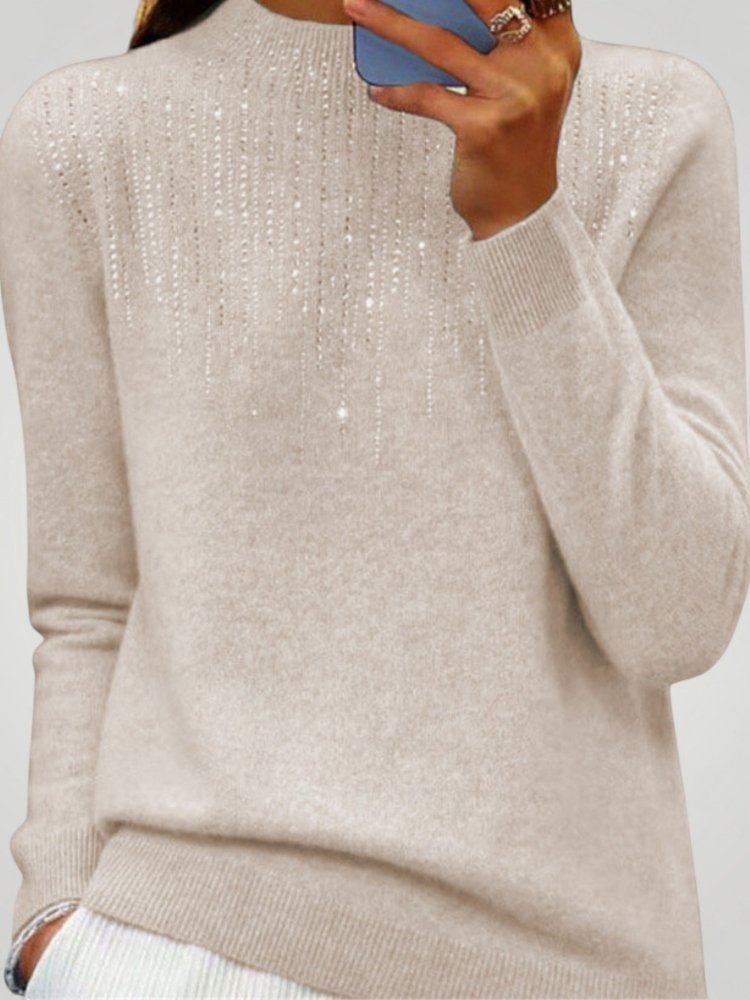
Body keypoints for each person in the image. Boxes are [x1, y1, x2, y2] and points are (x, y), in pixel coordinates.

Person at [1, 0, 748, 997]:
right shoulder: (85, 137)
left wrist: (526, 220)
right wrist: (54, 918)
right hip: (181, 949)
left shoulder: (653, 120)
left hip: (569, 971)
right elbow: (89, 600)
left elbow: (677, 619)